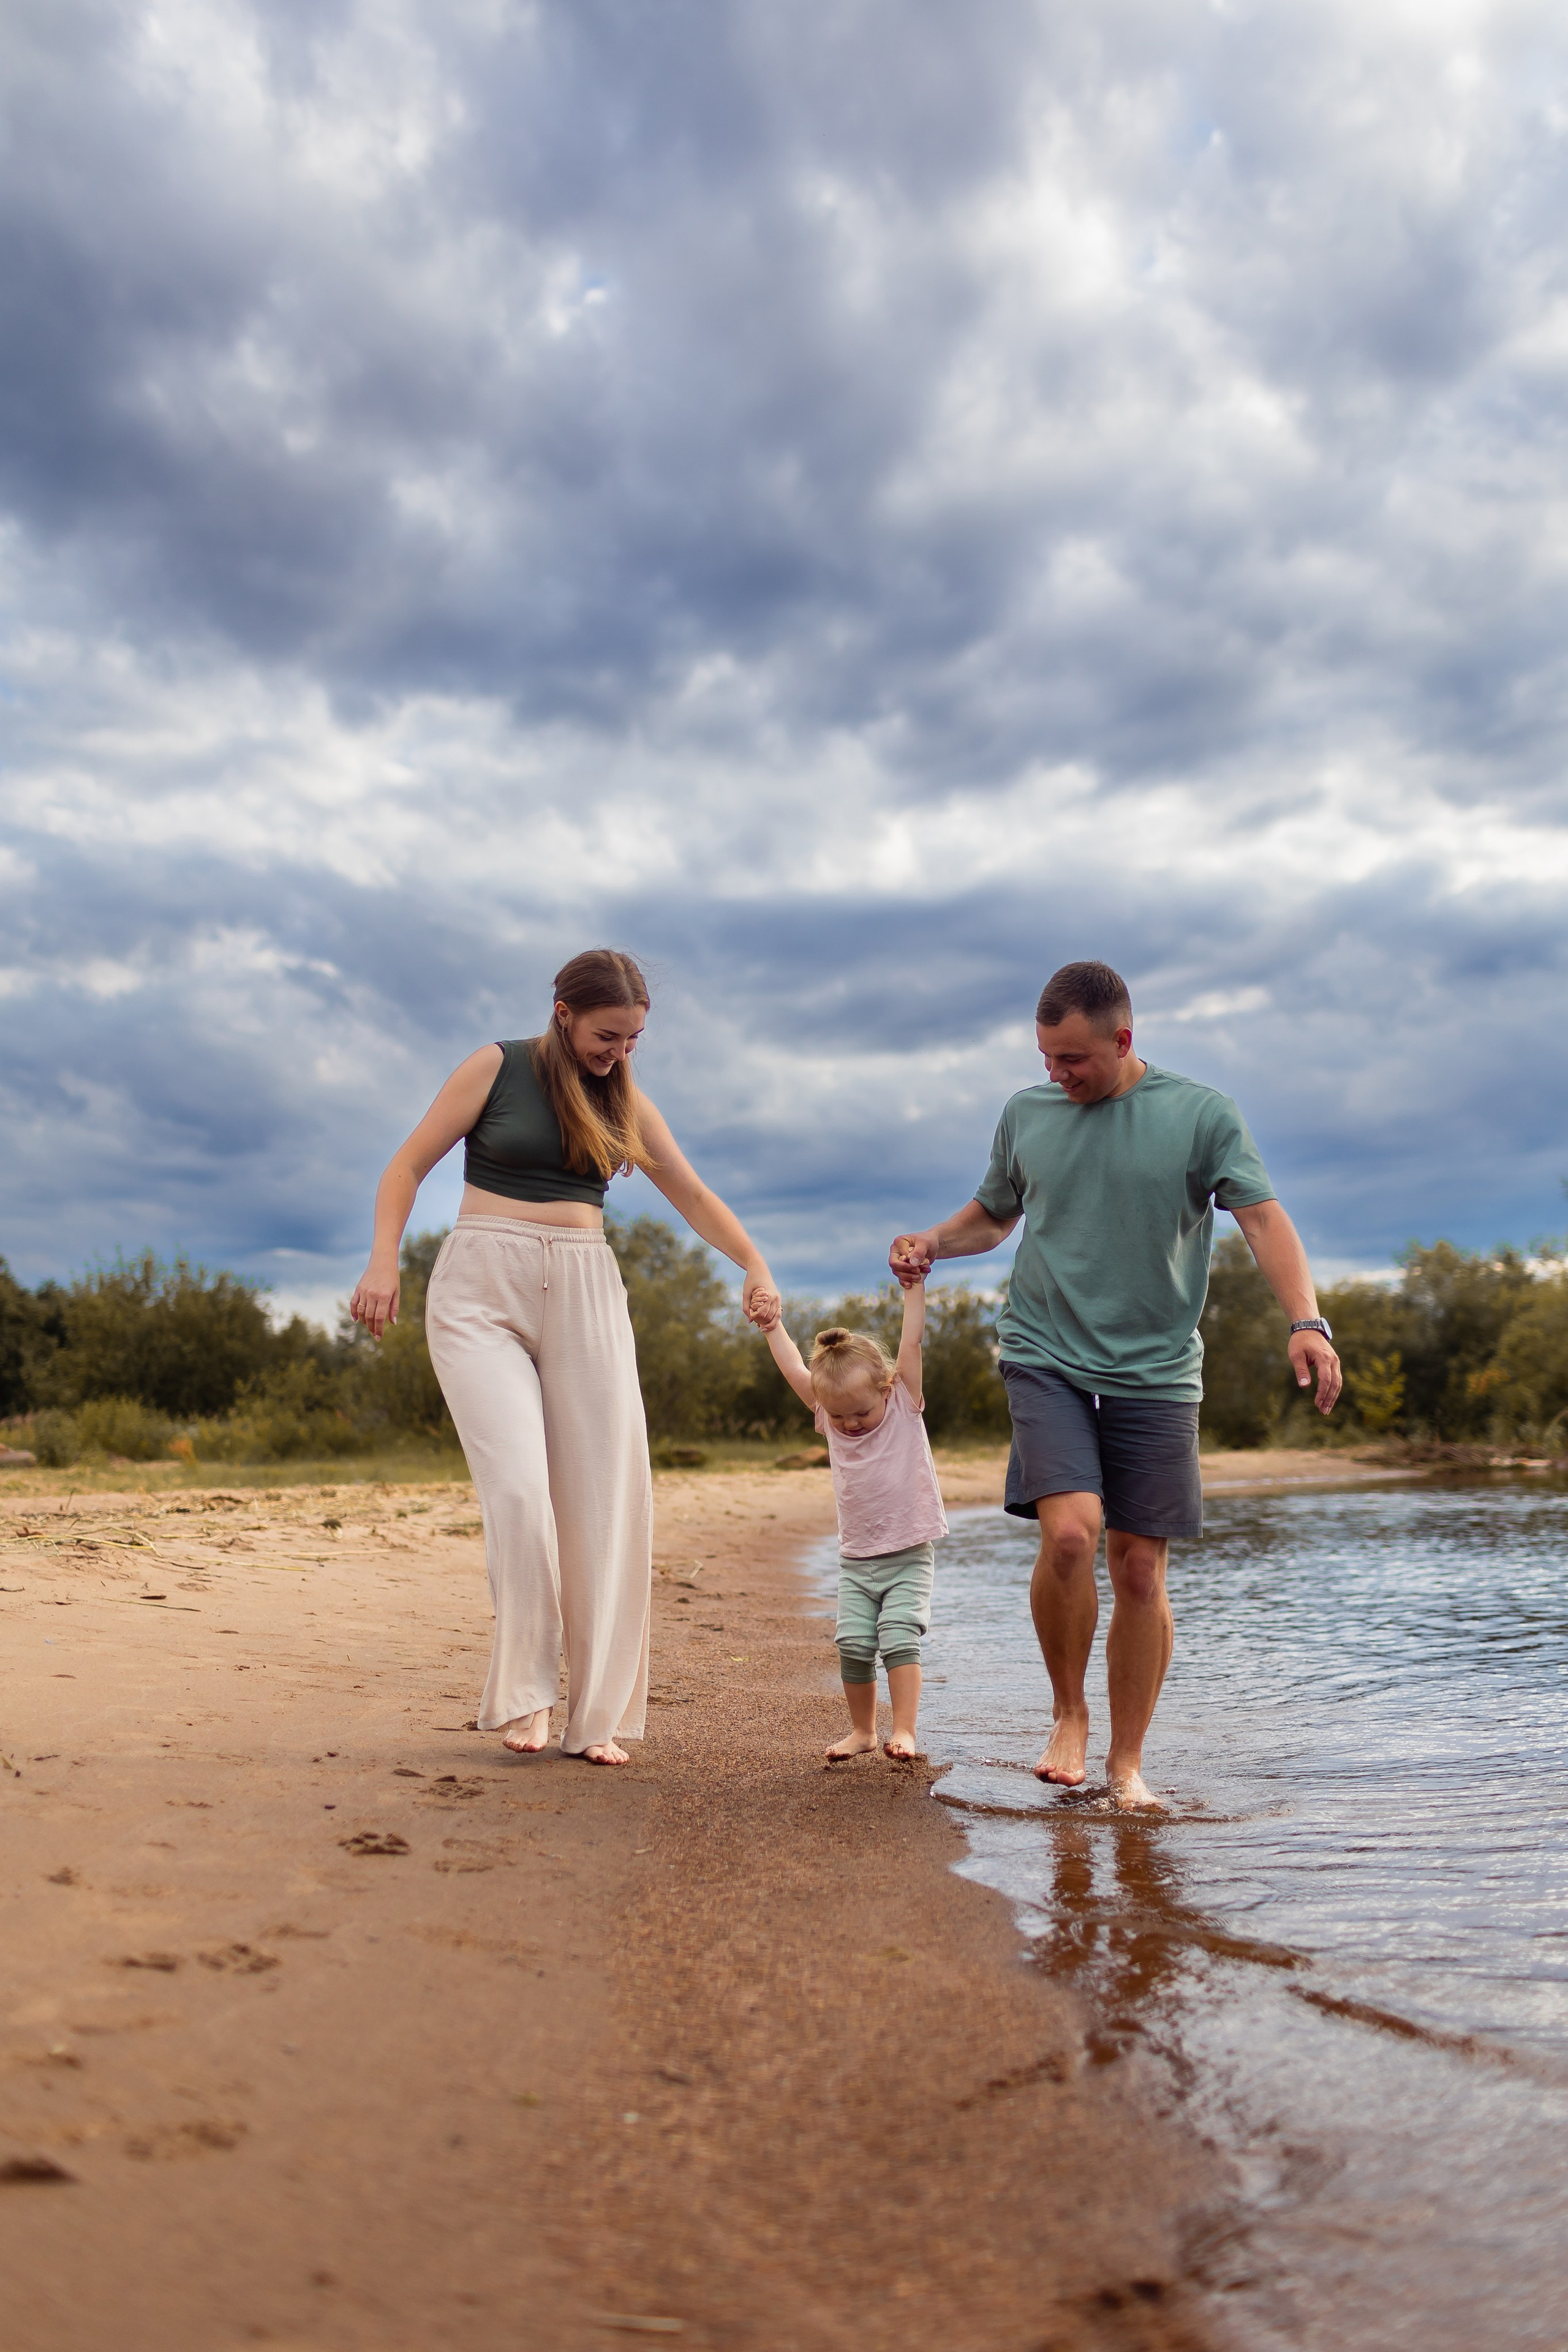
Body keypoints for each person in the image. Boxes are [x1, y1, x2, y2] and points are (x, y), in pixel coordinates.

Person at [889, 959, 1341, 1809]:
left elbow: (1263, 1218)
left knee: (1137, 1570)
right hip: (1045, 1349)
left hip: (1158, 1371)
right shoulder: (1027, 1114)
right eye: (1046, 1059)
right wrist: (931, 1242)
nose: (1056, 1075)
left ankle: (1127, 1764)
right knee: (1069, 1537)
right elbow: (993, 1215)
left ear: (1123, 1040)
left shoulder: (1201, 1114)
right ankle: (1068, 1715)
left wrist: (1307, 1321)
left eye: (1074, 1061)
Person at [350, 948, 778, 1767]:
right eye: (607, 1033)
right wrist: (382, 1258)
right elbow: (407, 1164)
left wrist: (753, 1264)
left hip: (585, 1291)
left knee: (601, 1503)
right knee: (518, 1494)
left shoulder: (626, 1102)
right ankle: (526, 1692)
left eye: (632, 1039)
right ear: (563, 1010)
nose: (618, 1051)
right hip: (481, 1288)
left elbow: (691, 1193)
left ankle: (597, 1715)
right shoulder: (495, 1067)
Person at [760, 1281, 948, 1759]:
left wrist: (914, 1289)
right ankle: (864, 1732)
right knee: (854, 1644)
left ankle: (904, 1730)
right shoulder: (829, 1414)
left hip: (908, 1553)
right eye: (839, 1417)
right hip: (856, 1559)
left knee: (900, 1636)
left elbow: (911, 1342)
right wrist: (772, 1326)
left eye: (861, 1412)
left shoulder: (905, 1400)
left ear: (886, 1388)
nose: (850, 1425)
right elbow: (794, 1369)